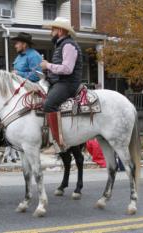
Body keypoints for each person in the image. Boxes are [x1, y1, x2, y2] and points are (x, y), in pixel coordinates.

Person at [40, 17, 83, 151]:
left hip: (68, 83)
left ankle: (59, 143)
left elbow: (67, 69)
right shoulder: (61, 45)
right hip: (60, 82)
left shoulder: (68, 45)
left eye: (52, 29)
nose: (50, 32)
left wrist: (48, 65)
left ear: (59, 30)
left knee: (49, 104)